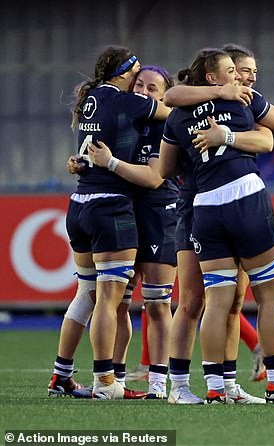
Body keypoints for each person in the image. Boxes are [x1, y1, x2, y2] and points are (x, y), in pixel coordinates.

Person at [159, 47, 274, 404]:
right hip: (232, 197)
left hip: (205, 204)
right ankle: (272, 384)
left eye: (250, 71)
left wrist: (221, 139)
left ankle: (221, 387)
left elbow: (165, 167)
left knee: (226, 301)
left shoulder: (182, 115)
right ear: (215, 75)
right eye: (237, 71)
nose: (244, 77)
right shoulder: (237, 101)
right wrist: (229, 125)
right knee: (214, 299)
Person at [53, 45, 171, 400]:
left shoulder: (91, 99)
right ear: (125, 72)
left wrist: (80, 161)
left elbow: (91, 146)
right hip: (110, 206)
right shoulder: (126, 101)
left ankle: (61, 376)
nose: (140, 85)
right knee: (109, 299)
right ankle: (106, 383)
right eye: (137, 77)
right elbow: (171, 112)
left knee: (88, 295)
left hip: (80, 202)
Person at [87, 65, 177, 399]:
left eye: (153, 88)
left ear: (164, 95)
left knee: (156, 304)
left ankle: (157, 381)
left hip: (158, 212)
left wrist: (111, 163)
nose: (143, 91)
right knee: (119, 302)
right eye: (139, 84)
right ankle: (116, 380)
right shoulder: (123, 116)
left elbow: (154, 178)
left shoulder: (163, 126)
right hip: (124, 211)